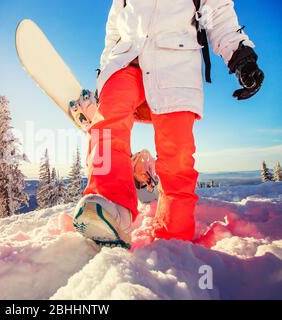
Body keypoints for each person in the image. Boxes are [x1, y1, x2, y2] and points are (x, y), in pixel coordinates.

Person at [72, 0, 264, 248]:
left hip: (176, 66)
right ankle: (110, 208)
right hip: (126, 60)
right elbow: (114, 28)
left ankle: (174, 234)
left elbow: (217, 14)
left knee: (177, 152)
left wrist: (241, 56)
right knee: (107, 123)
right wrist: (105, 71)